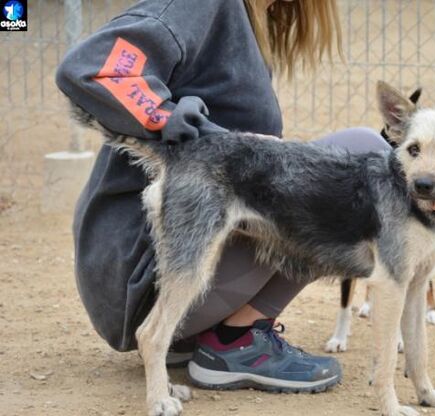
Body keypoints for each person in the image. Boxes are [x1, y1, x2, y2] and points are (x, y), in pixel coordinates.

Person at [56, 0, 390, 393]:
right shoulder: (203, 4)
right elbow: (93, 67)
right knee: (363, 149)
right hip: (143, 275)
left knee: (311, 173)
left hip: (162, 276)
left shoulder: (250, 19)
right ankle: (236, 342)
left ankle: (193, 337)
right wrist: (167, 118)